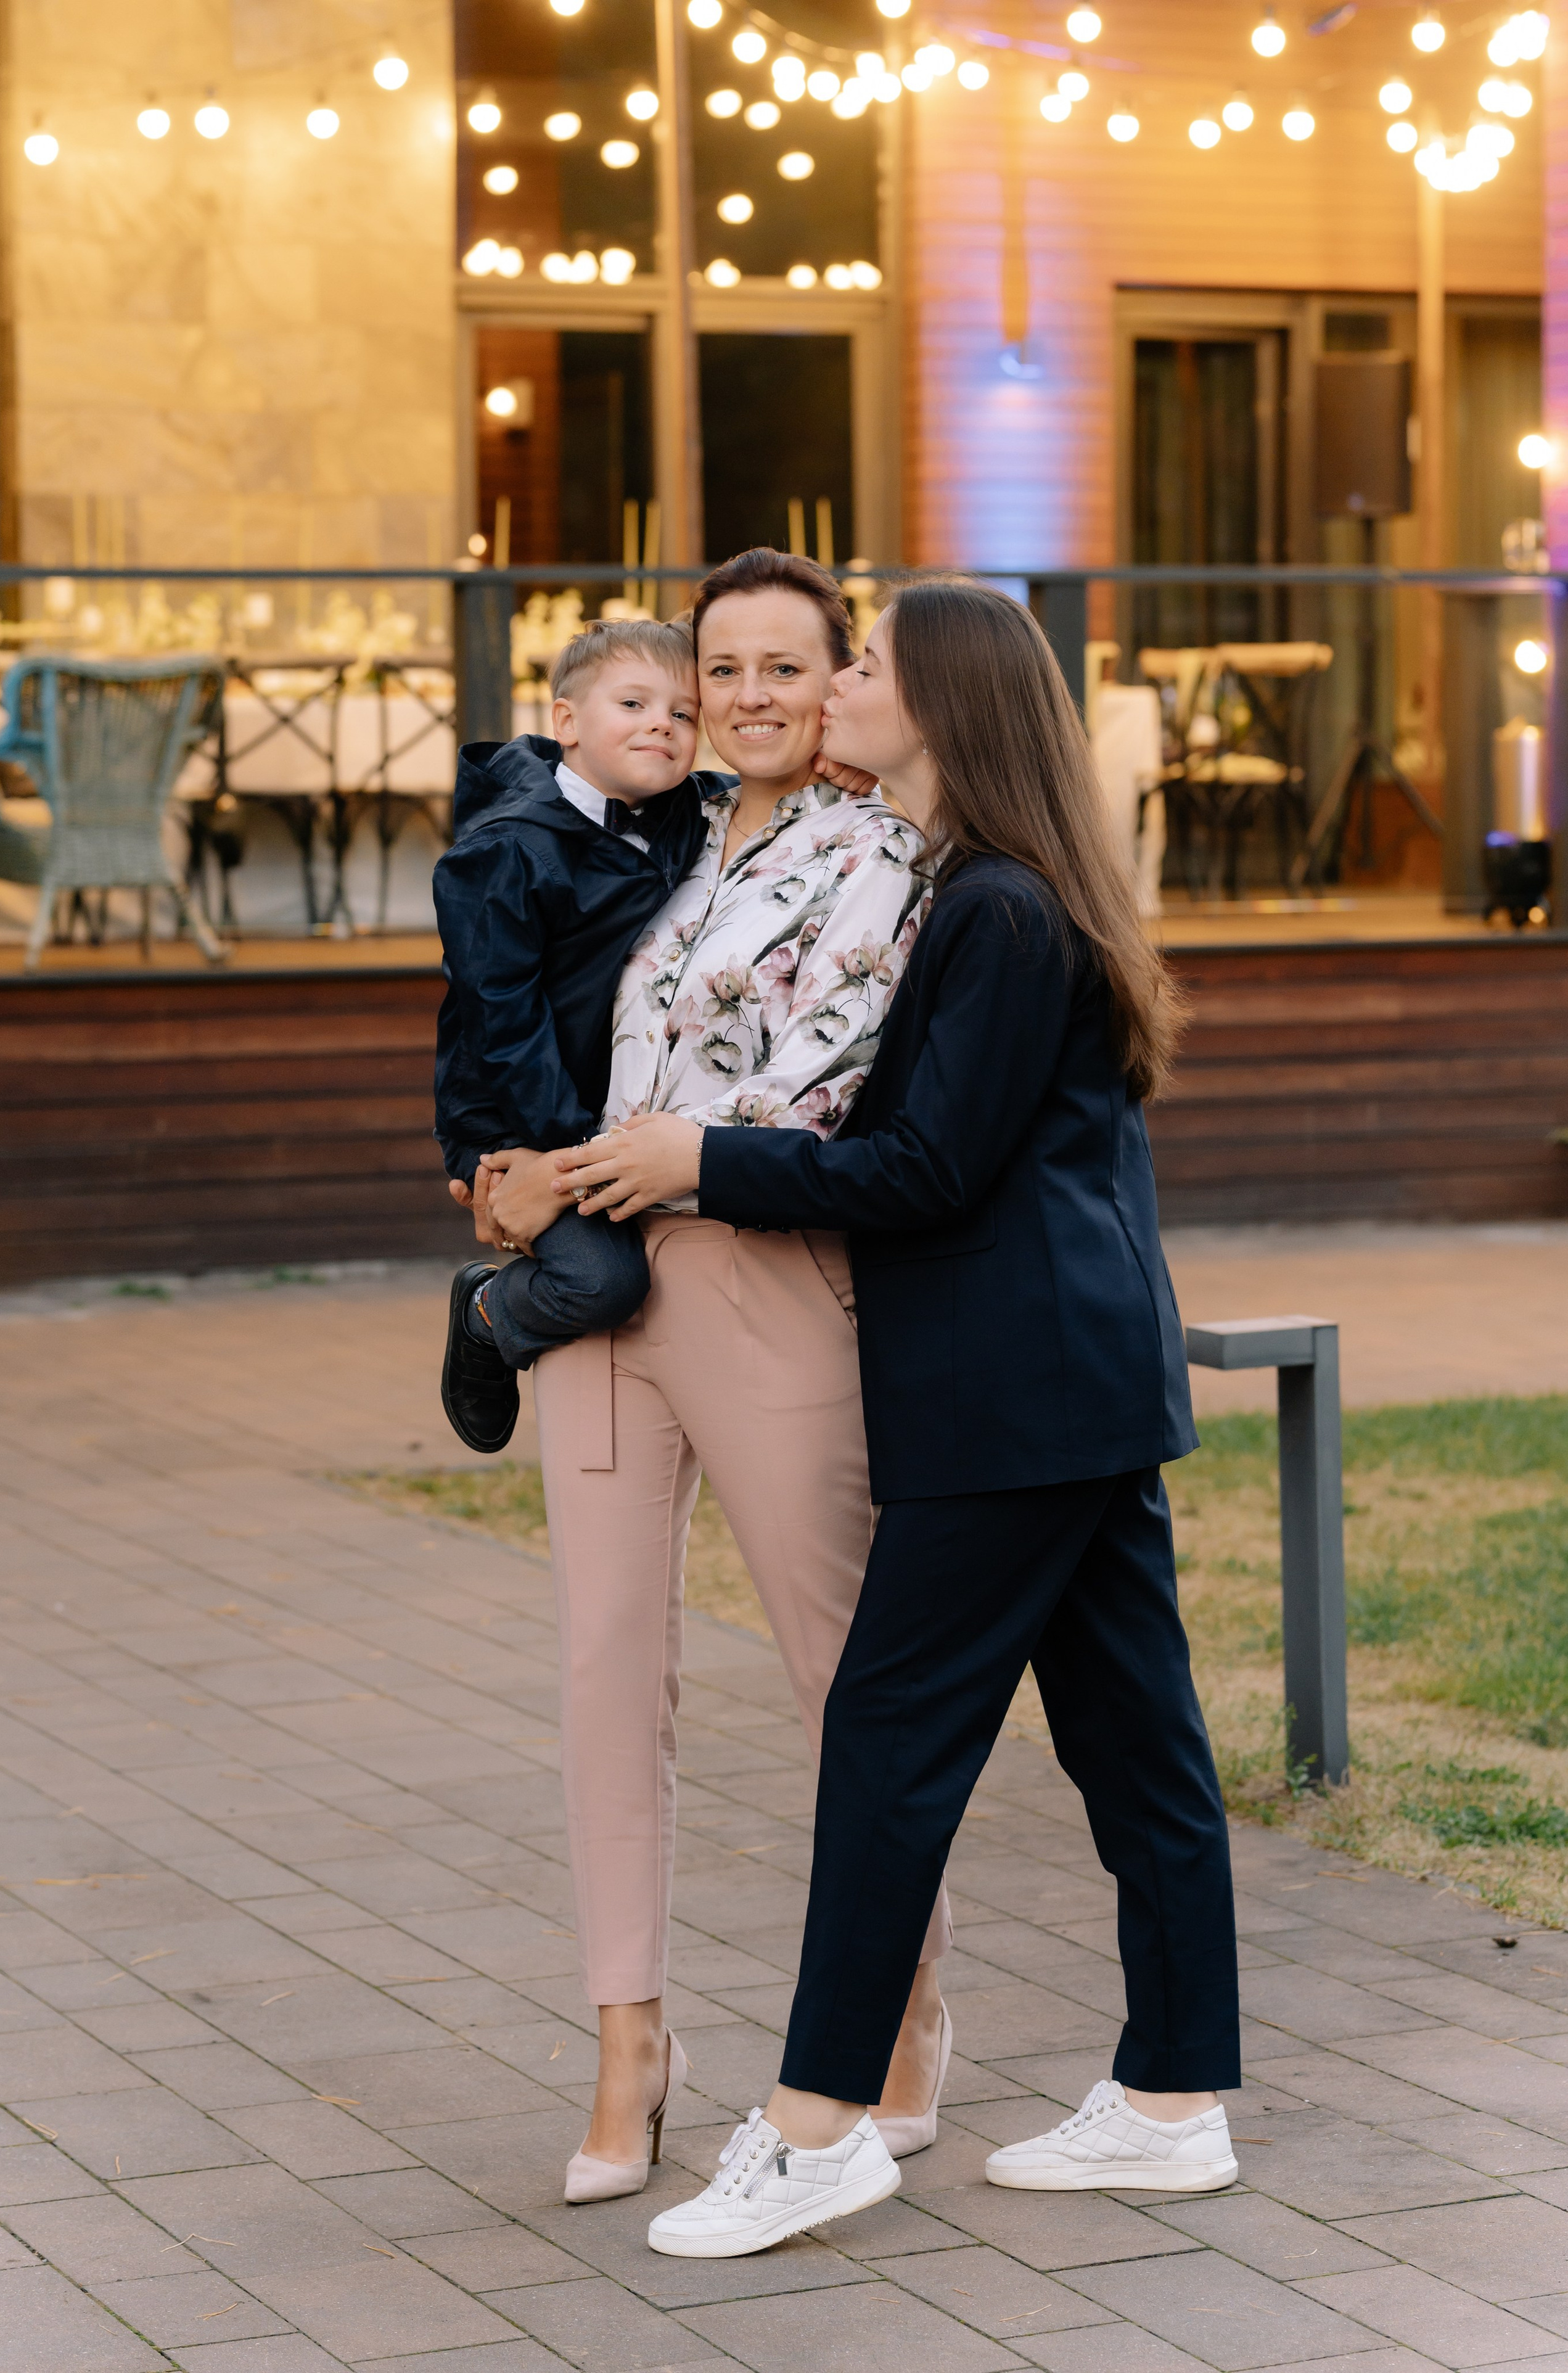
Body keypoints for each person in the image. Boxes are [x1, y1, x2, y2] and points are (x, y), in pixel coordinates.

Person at [552, 578, 1242, 2261]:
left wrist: (700, 1159)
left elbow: (929, 1170)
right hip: (1067, 1380)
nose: (835, 684)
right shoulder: (985, 895)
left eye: (861, 664)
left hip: (1014, 1392)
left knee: (885, 1744)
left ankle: (816, 2129)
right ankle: (1171, 2102)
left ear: (940, 701)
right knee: (1136, 1743)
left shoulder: (999, 912)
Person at [479, 549, 954, 2206]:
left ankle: (896, 2004)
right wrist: (502, 1161)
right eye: (722, 667)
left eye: (784, 666)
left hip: (761, 1285)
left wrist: (592, 1167)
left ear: (838, 684)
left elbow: (814, 1087)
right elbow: (526, 1015)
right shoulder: (640, 840)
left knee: (848, 1673)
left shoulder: (882, 857)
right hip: (593, 1295)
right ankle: (632, 2043)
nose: (748, 694)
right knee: (608, 1669)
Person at [432, 617, 724, 1454]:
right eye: (632, 703)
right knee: (604, 1279)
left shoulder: (678, 813)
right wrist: (568, 1159)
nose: (660, 726)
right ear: (567, 722)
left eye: (682, 713)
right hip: (516, 1116)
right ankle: (490, 1313)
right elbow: (504, 1019)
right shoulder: (506, 855)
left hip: (607, 1113)